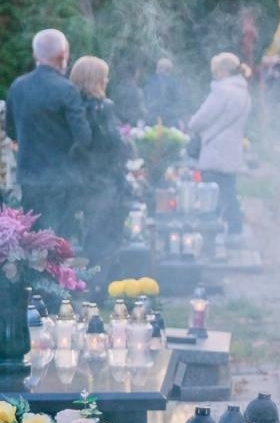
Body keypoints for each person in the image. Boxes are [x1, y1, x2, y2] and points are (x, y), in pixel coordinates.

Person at [4, 29, 91, 239]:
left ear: (36, 55)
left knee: (34, 243)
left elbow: (11, 130)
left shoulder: (18, 87)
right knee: (59, 244)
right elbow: (83, 137)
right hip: (62, 180)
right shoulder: (66, 90)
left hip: (29, 177)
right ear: (63, 55)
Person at [67, 56, 130, 268]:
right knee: (105, 239)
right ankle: (100, 282)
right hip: (104, 181)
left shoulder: (70, 107)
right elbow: (113, 143)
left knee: (82, 236)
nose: (107, 81)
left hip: (76, 179)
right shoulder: (103, 107)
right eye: (104, 77)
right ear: (96, 80)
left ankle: (83, 279)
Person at [186, 52, 253, 237]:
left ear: (223, 71)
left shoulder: (222, 91)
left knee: (210, 194)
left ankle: (210, 235)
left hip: (215, 149)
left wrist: (192, 125)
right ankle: (234, 230)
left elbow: (202, 118)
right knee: (229, 191)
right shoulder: (244, 93)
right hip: (232, 149)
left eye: (215, 71)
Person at [143, 57, 187, 127]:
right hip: (169, 120)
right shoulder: (173, 83)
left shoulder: (150, 81)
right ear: (169, 70)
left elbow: (145, 99)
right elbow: (178, 102)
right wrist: (179, 118)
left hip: (151, 119)